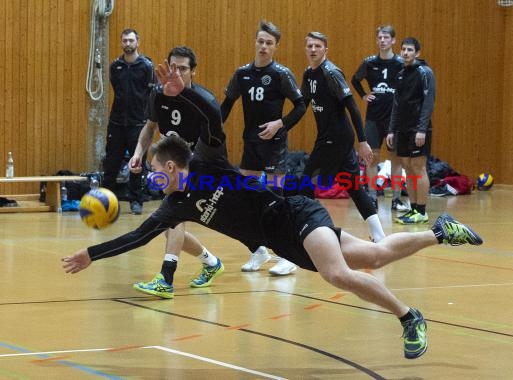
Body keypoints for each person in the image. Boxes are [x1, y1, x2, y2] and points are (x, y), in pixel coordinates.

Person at [62, 60, 483, 359]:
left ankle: (410, 318)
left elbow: (212, 119)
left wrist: (184, 92)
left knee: (339, 274)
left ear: (171, 166)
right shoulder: (176, 205)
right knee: (374, 255)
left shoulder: (209, 165)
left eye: (155, 169)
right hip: (284, 241)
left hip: (294, 214)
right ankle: (440, 231)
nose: (152, 176)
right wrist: (91, 255)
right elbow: (137, 236)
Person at [128, 46, 224, 297]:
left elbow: (213, 146)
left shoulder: (205, 101)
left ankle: (166, 278)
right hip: (172, 171)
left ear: (193, 71)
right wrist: (138, 153)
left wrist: (184, 169)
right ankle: (211, 263)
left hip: (201, 169)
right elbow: (150, 128)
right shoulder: (158, 95)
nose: (177, 73)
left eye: (183, 69)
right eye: (173, 67)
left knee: (172, 219)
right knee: (170, 223)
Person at [221, 20, 306, 276]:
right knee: (247, 199)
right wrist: (211, 131)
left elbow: (301, 106)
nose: (264, 47)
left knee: (274, 200)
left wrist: (280, 124)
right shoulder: (242, 74)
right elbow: (225, 106)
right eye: (261, 41)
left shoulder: (281, 74)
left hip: (275, 145)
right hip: (251, 144)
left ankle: (289, 255)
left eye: (269, 43)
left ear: (275, 47)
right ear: (255, 42)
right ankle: (259, 250)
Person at [299, 32, 384, 243]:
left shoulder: (331, 73)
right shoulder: (309, 74)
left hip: (335, 138)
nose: (313, 49)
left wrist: (363, 141)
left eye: (318, 46)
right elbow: (302, 106)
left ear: (325, 49)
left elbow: (353, 108)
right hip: (331, 137)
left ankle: (309, 234)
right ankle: (380, 235)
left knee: (303, 186)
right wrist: (281, 125)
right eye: (310, 45)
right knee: (354, 186)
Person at [351, 25, 409, 212]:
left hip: (394, 119)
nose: (382, 40)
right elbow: (355, 79)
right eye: (379, 38)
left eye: (386, 37)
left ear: (393, 40)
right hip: (374, 117)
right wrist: (363, 95)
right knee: (371, 158)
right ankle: (372, 198)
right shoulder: (369, 63)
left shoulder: (401, 63)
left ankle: (396, 199)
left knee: (395, 159)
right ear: (377, 41)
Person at [103, 28, 155, 215]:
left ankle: (136, 200)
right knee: (111, 164)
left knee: (137, 164)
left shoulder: (147, 67)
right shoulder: (115, 66)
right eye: (124, 40)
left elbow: (151, 94)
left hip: (138, 124)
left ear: (137, 42)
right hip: (116, 123)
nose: (127, 44)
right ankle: (106, 201)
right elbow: (117, 90)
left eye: (131, 40)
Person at [386, 37, 436, 224]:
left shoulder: (425, 73)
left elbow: (428, 102)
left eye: (409, 50)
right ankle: (413, 208)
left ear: (417, 53)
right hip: (403, 129)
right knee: (407, 166)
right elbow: (396, 104)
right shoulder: (401, 74)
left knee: (418, 167)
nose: (405, 53)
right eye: (403, 50)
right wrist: (392, 129)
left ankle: (421, 211)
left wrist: (422, 129)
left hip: (418, 129)